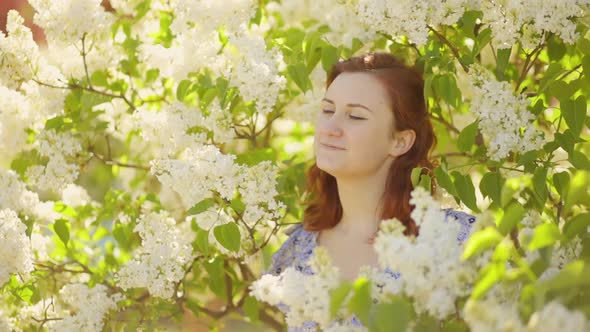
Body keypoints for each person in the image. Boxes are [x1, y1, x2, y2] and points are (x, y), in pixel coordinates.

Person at [266, 52, 476, 330]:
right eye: (328, 110)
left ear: (400, 141)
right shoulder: (297, 252)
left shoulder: (455, 242)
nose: (330, 128)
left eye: (355, 116)